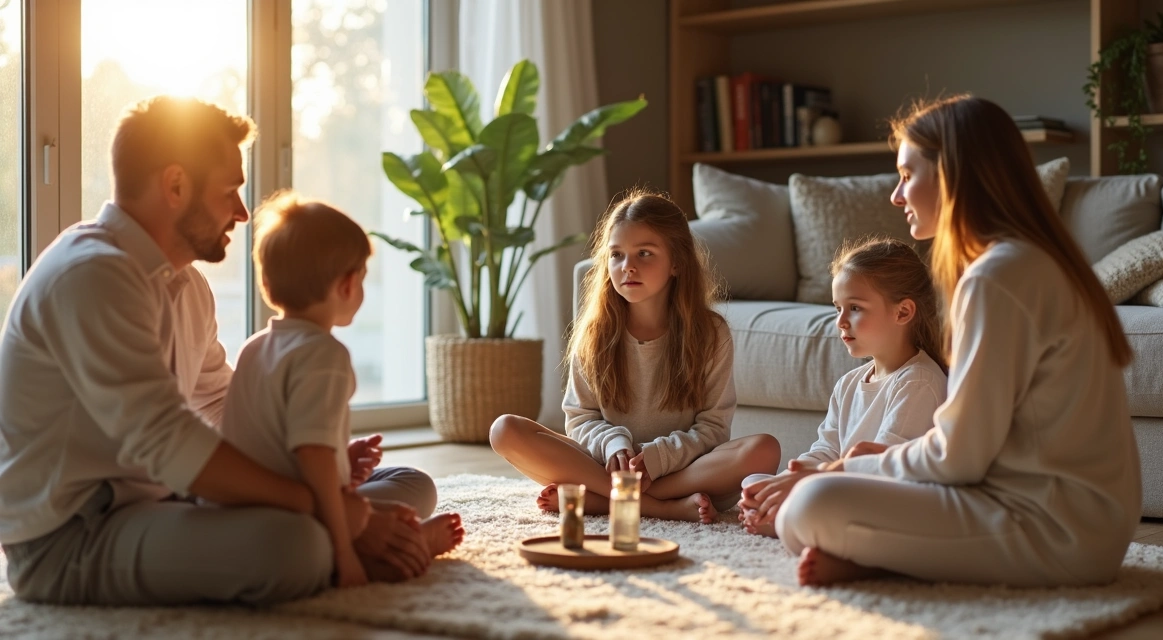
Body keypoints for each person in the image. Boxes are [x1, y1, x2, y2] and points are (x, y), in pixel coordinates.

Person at [0, 96, 431, 606]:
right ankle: (346, 547)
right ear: (176, 185)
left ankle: (351, 539)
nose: (244, 213)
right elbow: (169, 441)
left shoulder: (186, 286)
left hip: (166, 500)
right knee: (300, 547)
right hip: (74, 536)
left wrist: (323, 464)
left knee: (409, 485)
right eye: (230, 192)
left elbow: (223, 407)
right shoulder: (93, 274)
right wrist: (324, 505)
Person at [775, 95, 1141, 588]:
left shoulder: (998, 276)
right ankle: (880, 559)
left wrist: (851, 466)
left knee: (805, 508)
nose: (896, 196)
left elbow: (958, 457)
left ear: (950, 173)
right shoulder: (1029, 261)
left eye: (907, 175)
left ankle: (884, 560)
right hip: (1087, 526)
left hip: (1054, 531)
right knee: (811, 496)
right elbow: (974, 450)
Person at [488, 189, 780, 524]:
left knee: (764, 449)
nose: (627, 267)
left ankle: (606, 500)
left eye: (644, 253)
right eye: (616, 255)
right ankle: (655, 507)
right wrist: (614, 444)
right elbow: (580, 418)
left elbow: (713, 428)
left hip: (680, 473)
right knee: (504, 429)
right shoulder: (595, 331)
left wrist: (657, 458)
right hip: (607, 464)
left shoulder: (710, 334)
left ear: (677, 263)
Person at [220, 190, 464, 588]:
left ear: (265, 282)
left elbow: (283, 444)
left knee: (407, 478)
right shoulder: (324, 355)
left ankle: (372, 530)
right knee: (417, 489)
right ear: (348, 285)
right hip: (296, 514)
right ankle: (407, 542)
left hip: (247, 508)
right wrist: (347, 552)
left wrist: (342, 462)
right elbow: (312, 456)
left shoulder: (255, 345)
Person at [737, 238, 947, 537]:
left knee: (809, 503)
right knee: (755, 481)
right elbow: (826, 449)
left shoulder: (919, 381)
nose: (841, 321)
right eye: (837, 308)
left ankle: (786, 517)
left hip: (881, 494)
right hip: (838, 483)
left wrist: (800, 484)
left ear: (902, 312)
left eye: (855, 308)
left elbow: (885, 467)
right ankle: (779, 512)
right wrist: (787, 477)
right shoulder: (849, 383)